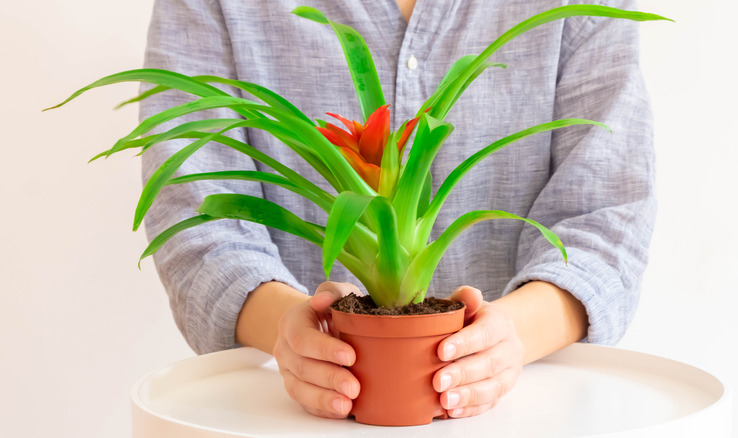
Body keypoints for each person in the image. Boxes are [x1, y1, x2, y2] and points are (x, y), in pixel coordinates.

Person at [140, 0, 655, 420]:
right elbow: (194, 214)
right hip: (289, 417)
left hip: (526, 416)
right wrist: (289, 332)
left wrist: (506, 338)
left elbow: (606, 214)